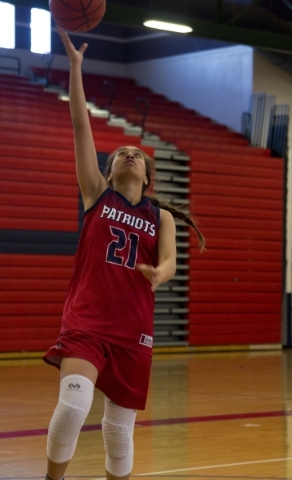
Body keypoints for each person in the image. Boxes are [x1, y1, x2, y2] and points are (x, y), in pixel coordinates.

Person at [43, 27, 205, 480]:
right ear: (110, 171)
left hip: (134, 329)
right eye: (122, 152)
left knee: (118, 432)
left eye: (138, 153)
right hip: (88, 321)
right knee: (73, 408)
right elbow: (80, 125)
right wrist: (76, 70)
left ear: (148, 177)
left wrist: (160, 273)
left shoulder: (161, 217)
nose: (130, 154)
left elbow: (171, 261)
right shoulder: (96, 194)